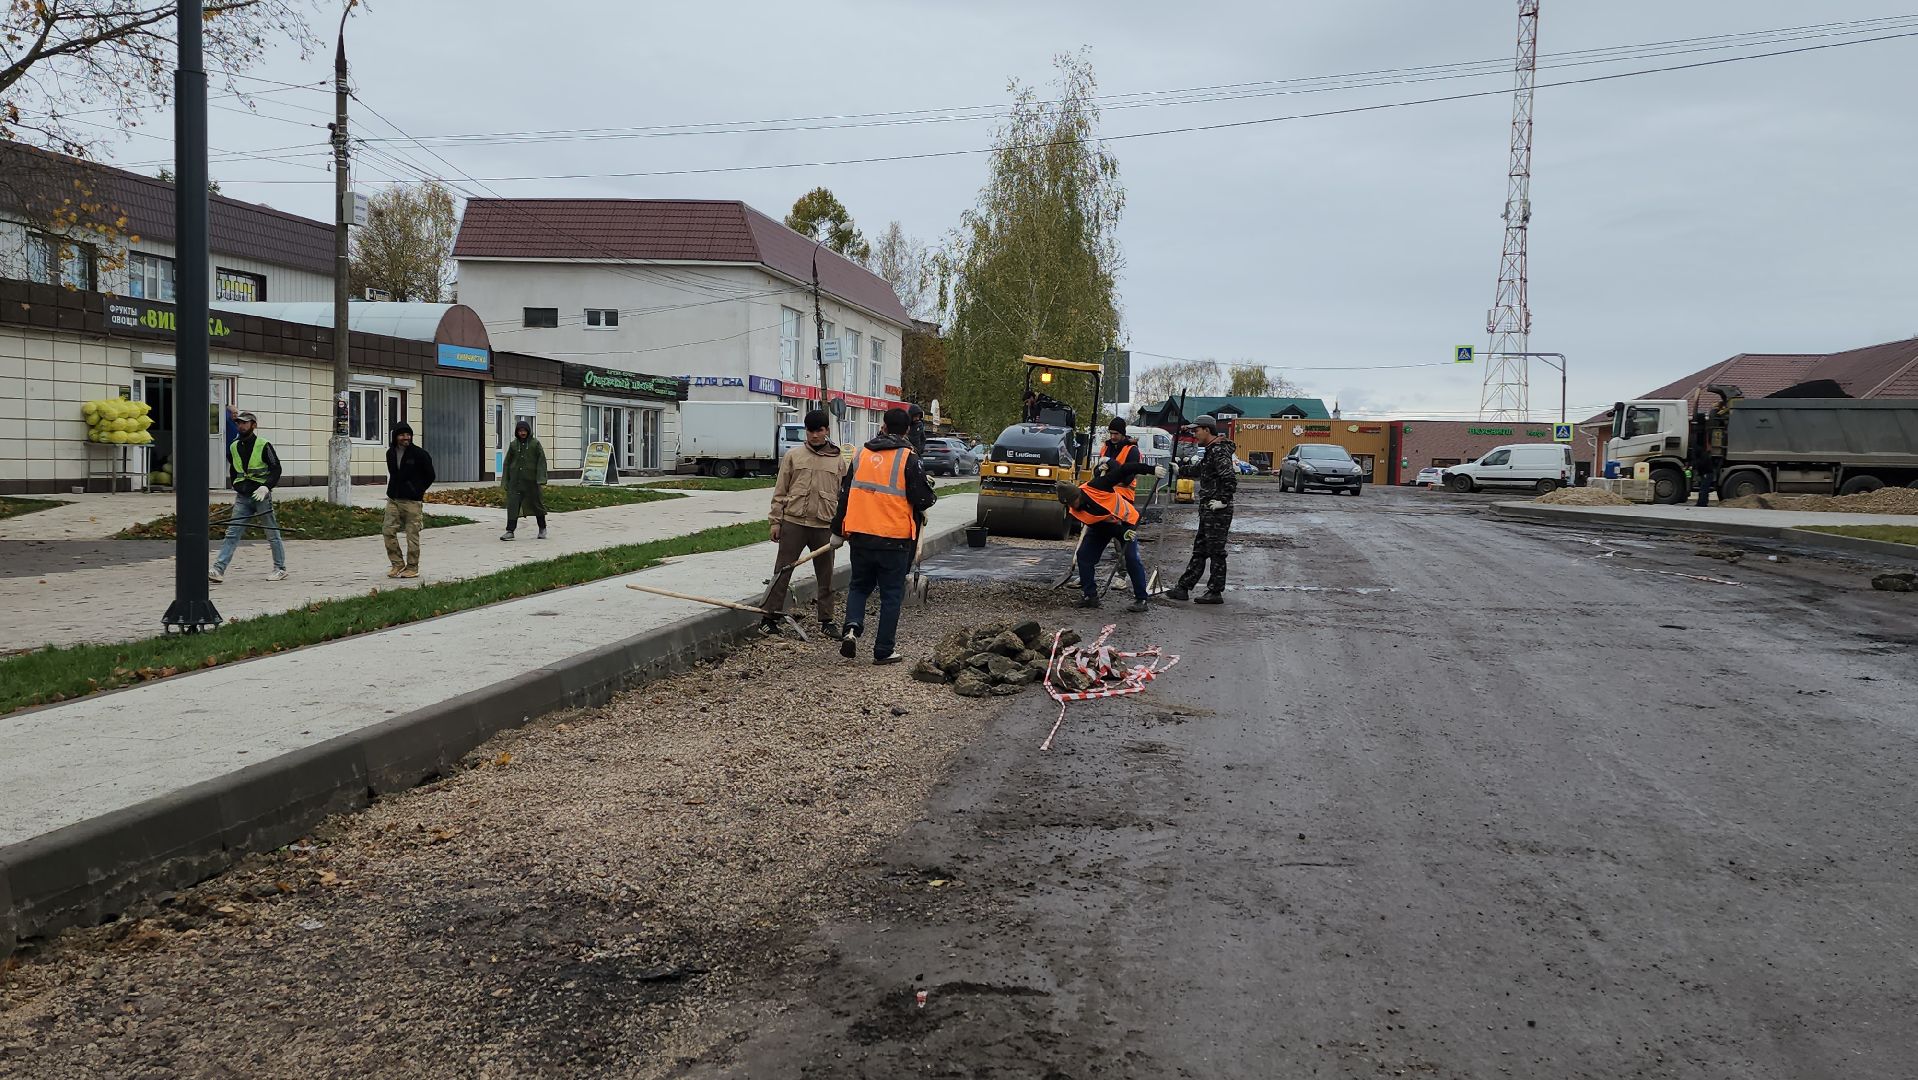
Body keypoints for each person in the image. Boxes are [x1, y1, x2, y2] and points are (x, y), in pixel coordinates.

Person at [833, 406, 937, 665]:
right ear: (909, 430)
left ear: (883, 426)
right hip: (894, 539)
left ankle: (852, 628)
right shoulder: (908, 459)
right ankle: (883, 650)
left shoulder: (861, 455)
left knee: (858, 586)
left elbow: (845, 494)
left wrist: (836, 530)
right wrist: (929, 494)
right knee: (891, 595)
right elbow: (922, 498)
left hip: (860, 535)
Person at [763, 410, 846, 635]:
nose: (814, 435)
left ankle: (827, 621)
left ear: (826, 431)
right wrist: (775, 522)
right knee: (782, 571)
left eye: (819, 430)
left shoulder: (839, 460)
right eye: (810, 431)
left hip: (824, 526)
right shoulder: (794, 456)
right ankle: (769, 618)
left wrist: (842, 526)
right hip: (794, 522)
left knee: (826, 575)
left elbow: (844, 495)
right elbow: (780, 490)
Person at [1058, 460, 1155, 613]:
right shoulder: (1074, 510)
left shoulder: (1097, 485)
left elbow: (1125, 468)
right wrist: (1120, 533)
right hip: (1104, 525)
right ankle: (1090, 596)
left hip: (1126, 520)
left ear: (1078, 494)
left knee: (1131, 558)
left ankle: (1141, 599)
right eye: (1069, 503)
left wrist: (1152, 469)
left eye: (1073, 501)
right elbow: (1104, 527)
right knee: (1084, 556)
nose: (1073, 506)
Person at [1163, 415, 1237, 604]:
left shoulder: (1219, 451)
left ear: (1207, 429)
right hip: (1208, 508)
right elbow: (1202, 470)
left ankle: (1215, 591)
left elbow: (1229, 478)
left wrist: (1223, 501)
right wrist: (1181, 469)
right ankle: (1184, 587)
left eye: (1197, 430)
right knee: (1201, 549)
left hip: (1217, 509)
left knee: (1216, 551)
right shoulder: (1212, 450)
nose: (1195, 434)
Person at [209, 410, 286, 583]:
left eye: (245, 422)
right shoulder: (234, 446)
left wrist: (266, 487)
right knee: (232, 533)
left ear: (253, 425)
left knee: (272, 533)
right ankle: (218, 569)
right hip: (243, 496)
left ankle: (280, 568)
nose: (241, 425)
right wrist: (237, 485)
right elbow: (234, 469)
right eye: (239, 423)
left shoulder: (263, 444)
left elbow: (276, 469)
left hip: (261, 495)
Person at [383, 421, 436, 579]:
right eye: (402, 435)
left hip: (412, 501)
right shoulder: (390, 453)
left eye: (408, 435)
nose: (406, 438)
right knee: (387, 530)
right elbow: (394, 474)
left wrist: (417, 490)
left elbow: (430, 475)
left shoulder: (420, 454)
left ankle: (412, 567)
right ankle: (397, 564)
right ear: (395, 437)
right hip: (393, 498)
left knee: (412, 534)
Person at [500, 418, 548, 541]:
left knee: (537, 505)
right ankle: (510, 531)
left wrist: (541, 478)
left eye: (524, 430)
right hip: (515, 482)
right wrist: (506, 480)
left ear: (528, 431)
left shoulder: (535, 444)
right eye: (520, 430)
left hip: (531, 482)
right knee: (513, 505)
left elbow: (541, 461)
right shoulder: (513, 445)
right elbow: (507, 463)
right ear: (517, 432)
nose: (522, 433)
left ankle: (542, 528)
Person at [1100, 416, 1143, 503]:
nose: (1112, 437)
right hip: (1106, 493)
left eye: (1116, 434)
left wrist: (1110, 463)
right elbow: (1096, 474)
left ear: (1123, 434)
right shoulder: (1105, 447)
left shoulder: (1132, 450)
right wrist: (1099, 469)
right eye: (1111, 433)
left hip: (1124, 496)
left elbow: (1127, 479)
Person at [1689, 413, 1716, 508]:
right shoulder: (1702, 432)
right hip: (1706, 470)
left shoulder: (1700, 446)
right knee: (1704, 487)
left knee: (1704, 488)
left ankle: (1702, 503)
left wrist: (1695, 465)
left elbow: (1701, 460)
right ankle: (1702, 502)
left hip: (1706, 471)